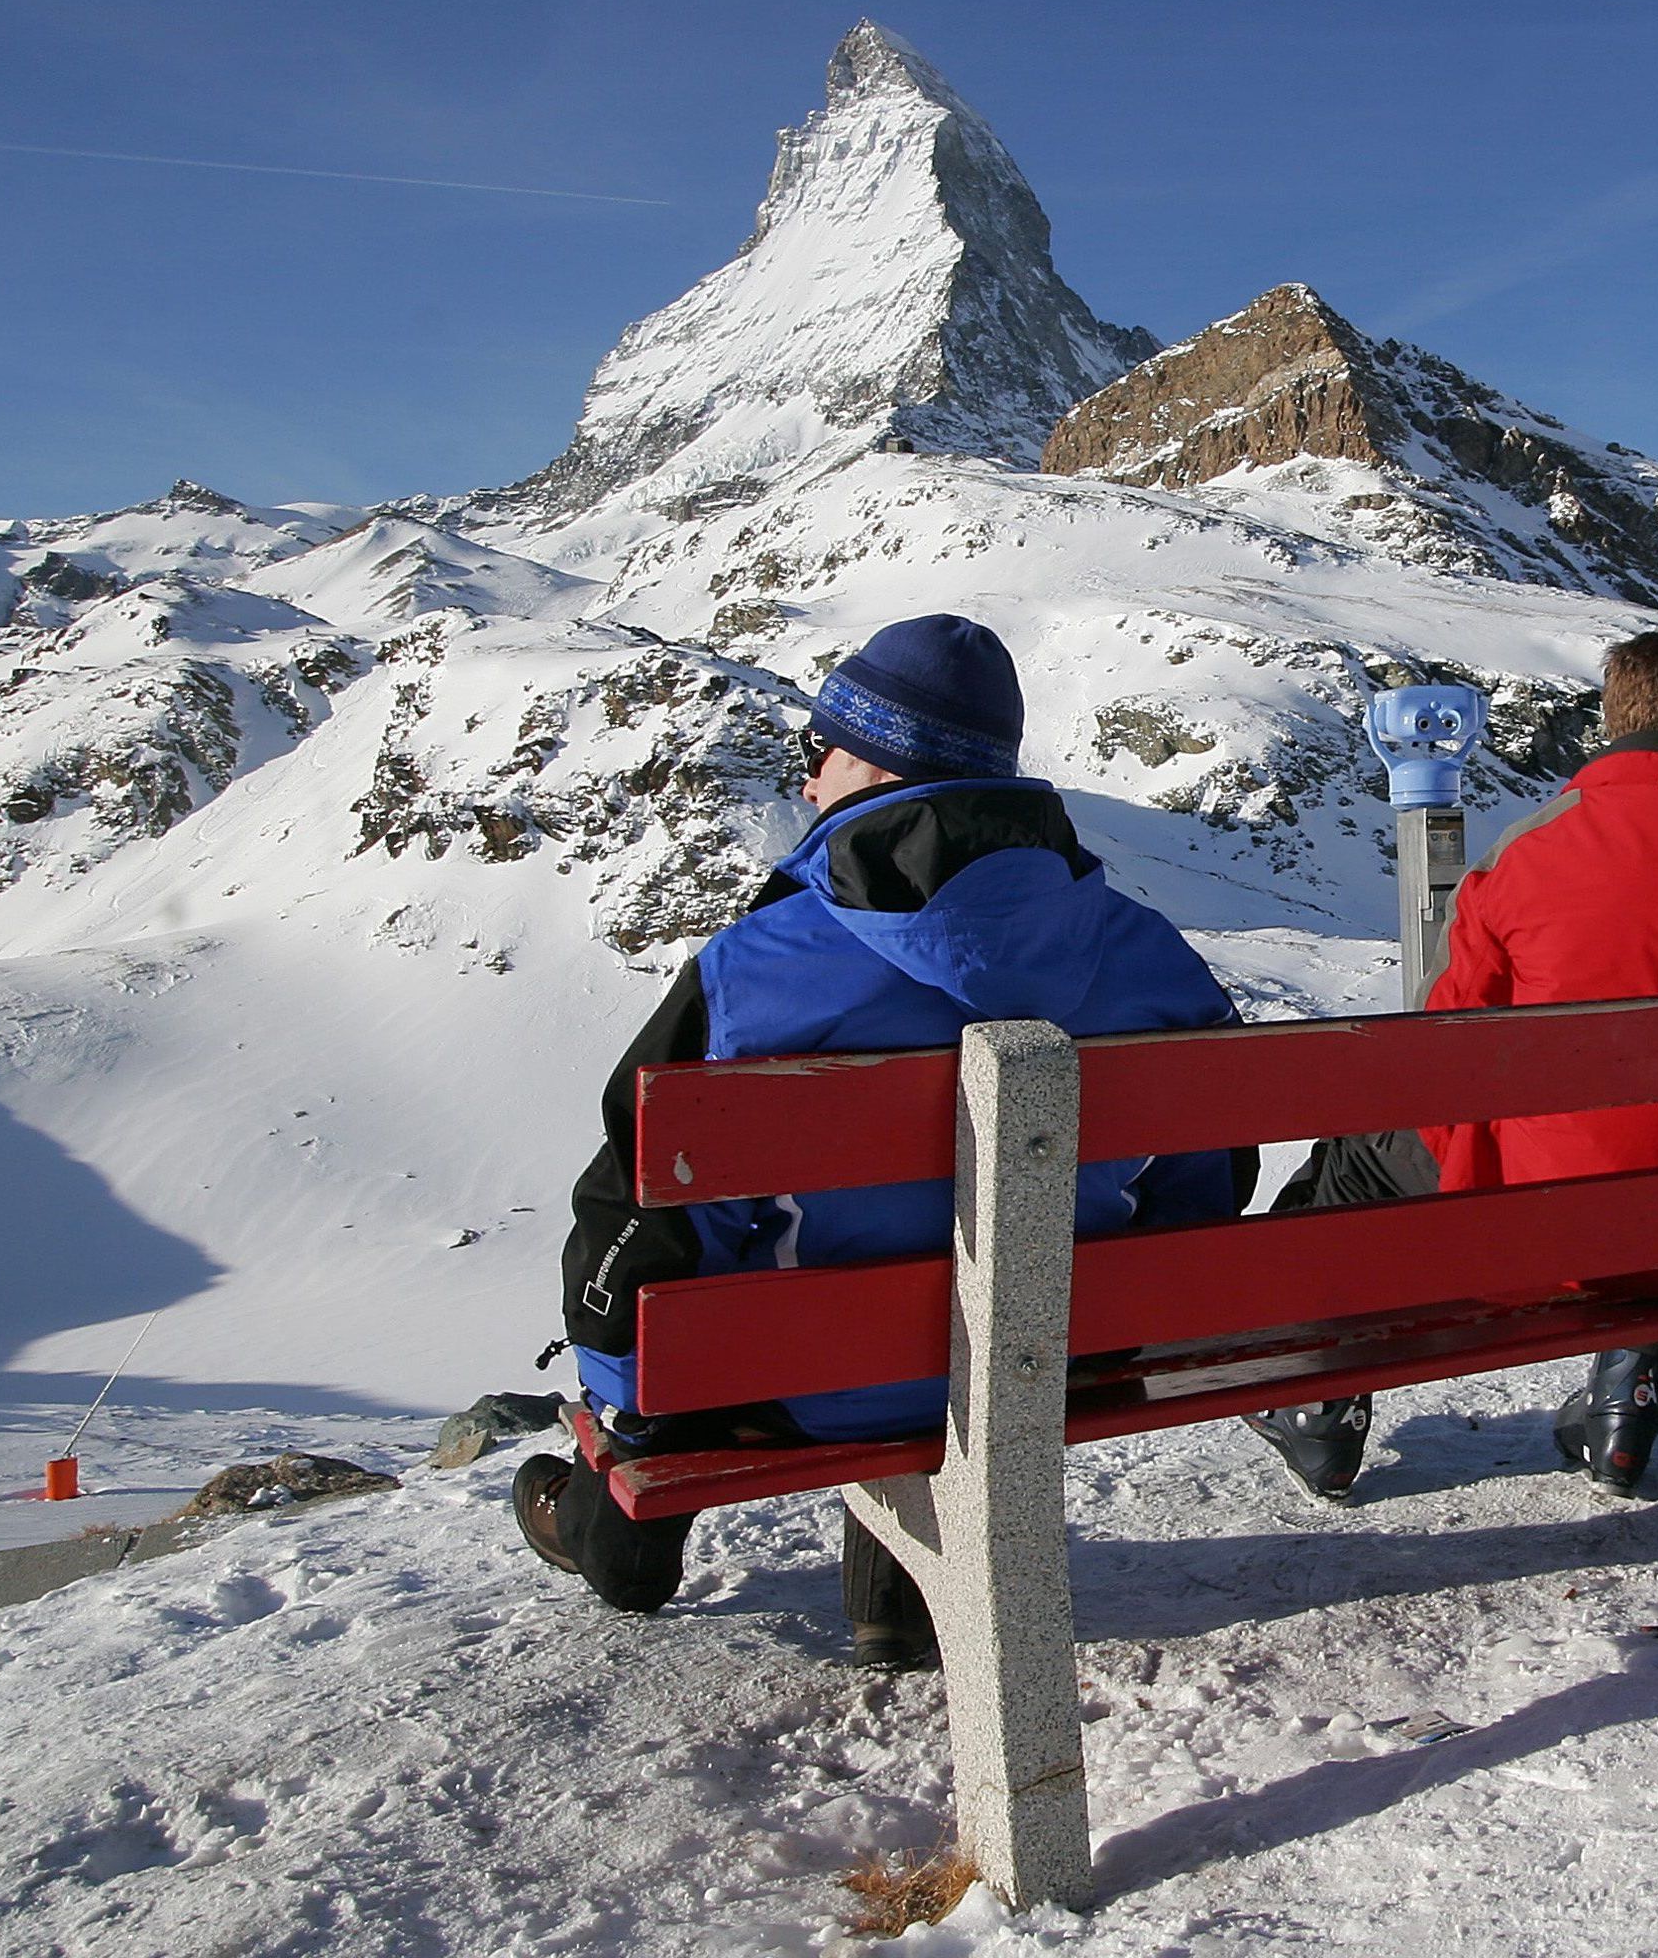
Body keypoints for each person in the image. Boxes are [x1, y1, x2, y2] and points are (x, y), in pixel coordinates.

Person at [515, 613, 1253, 1665]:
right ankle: (894, 1596)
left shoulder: (759, 966)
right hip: (1066, 1351)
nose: (804, 780)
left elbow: (638, 1215)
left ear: (868, 760)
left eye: (812, 751)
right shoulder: (1148, 951)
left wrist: (628, 1411)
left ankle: (617, 1536)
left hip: (818, 1382)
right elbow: (1208, 1180)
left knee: (705, 1307)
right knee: (914, 1298)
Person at [1250, 622, 1658, 1502]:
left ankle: (1320, 1402)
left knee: (1357, 1157)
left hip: (1553, 1236)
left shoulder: (1522, 855)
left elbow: (1439, 1046)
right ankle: (1629, 1389)